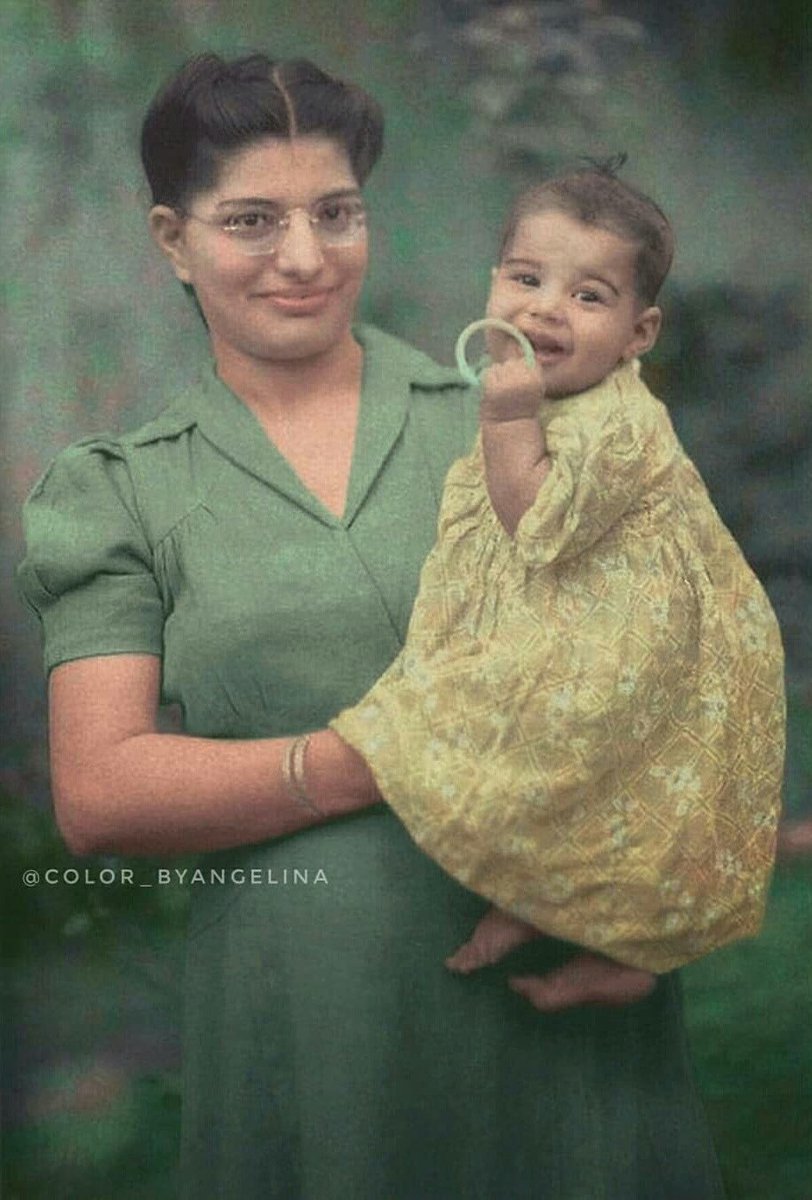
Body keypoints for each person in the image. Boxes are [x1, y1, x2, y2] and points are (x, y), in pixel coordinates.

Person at [19, 53, 730, 1199]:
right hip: (306, 1016)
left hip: (561, 991)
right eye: (251, 219)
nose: (303, 257)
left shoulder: (524, 422)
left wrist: (647, 913)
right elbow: (102, 795)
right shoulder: (117, 489)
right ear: (170, 239)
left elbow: (682, 675)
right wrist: (379, 758)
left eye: (334, 214)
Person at [332, 165, 786, 997]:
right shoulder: (556, 392)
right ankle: (540, 895)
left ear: (638, 332)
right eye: (526, 279)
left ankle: (623, 962)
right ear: (492, 284)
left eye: (588, 296)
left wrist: (506, 420)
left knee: (567, 753)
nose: (545, 308)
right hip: (584, 607)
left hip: (637, 646)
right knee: (548, 763)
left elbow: (536, 522)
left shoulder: (616, 421)